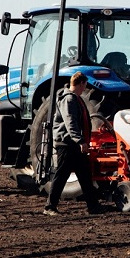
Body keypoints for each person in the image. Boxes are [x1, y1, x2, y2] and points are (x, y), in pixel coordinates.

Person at [43, 72, 104, 216]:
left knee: (84, 174)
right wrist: (80, 141)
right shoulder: (69, 99)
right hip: (66, 144)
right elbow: (70, 122)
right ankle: (50, 207)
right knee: (61, 175)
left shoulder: (76, 99)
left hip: (73, 144)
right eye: (84, 85)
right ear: (81, 83)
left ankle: (93, 206)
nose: (85, 88)